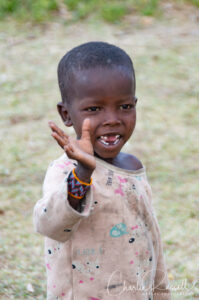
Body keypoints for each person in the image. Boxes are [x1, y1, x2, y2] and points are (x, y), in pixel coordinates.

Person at [33, 42, 171, 300]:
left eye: (125, 106)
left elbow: (151, 241)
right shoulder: (65, 170)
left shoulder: (133, 167)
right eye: (94, 109)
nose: (112, 119)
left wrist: (160, 292)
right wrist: (83, 173)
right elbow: (50, 224)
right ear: (66, 114)